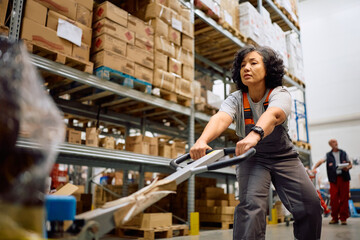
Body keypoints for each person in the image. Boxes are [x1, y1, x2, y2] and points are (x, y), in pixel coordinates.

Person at [190, 46, 322, 240]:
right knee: (251, 208)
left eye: (253, 63)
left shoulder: (280, 93)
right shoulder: (236, 99)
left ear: (268, 69)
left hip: (283, 157)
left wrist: (255, 134)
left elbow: (274, 114)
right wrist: (202, 140)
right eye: (242, 65)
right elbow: (221, 118)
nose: (246, 68)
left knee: (310, 205)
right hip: (253, 158)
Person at [312, 139, 352, 225]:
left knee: (344, 199)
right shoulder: (328, 155)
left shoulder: (344, 153)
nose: (336, 143)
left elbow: (350, 164)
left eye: (336, 142)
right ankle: (334, 218)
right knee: (333, 199)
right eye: (333, 142)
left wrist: (347, 168)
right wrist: (315, 167)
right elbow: (321, 161)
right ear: (330, 145)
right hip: (334, 179)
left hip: (344, 178)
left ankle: (343, 218)